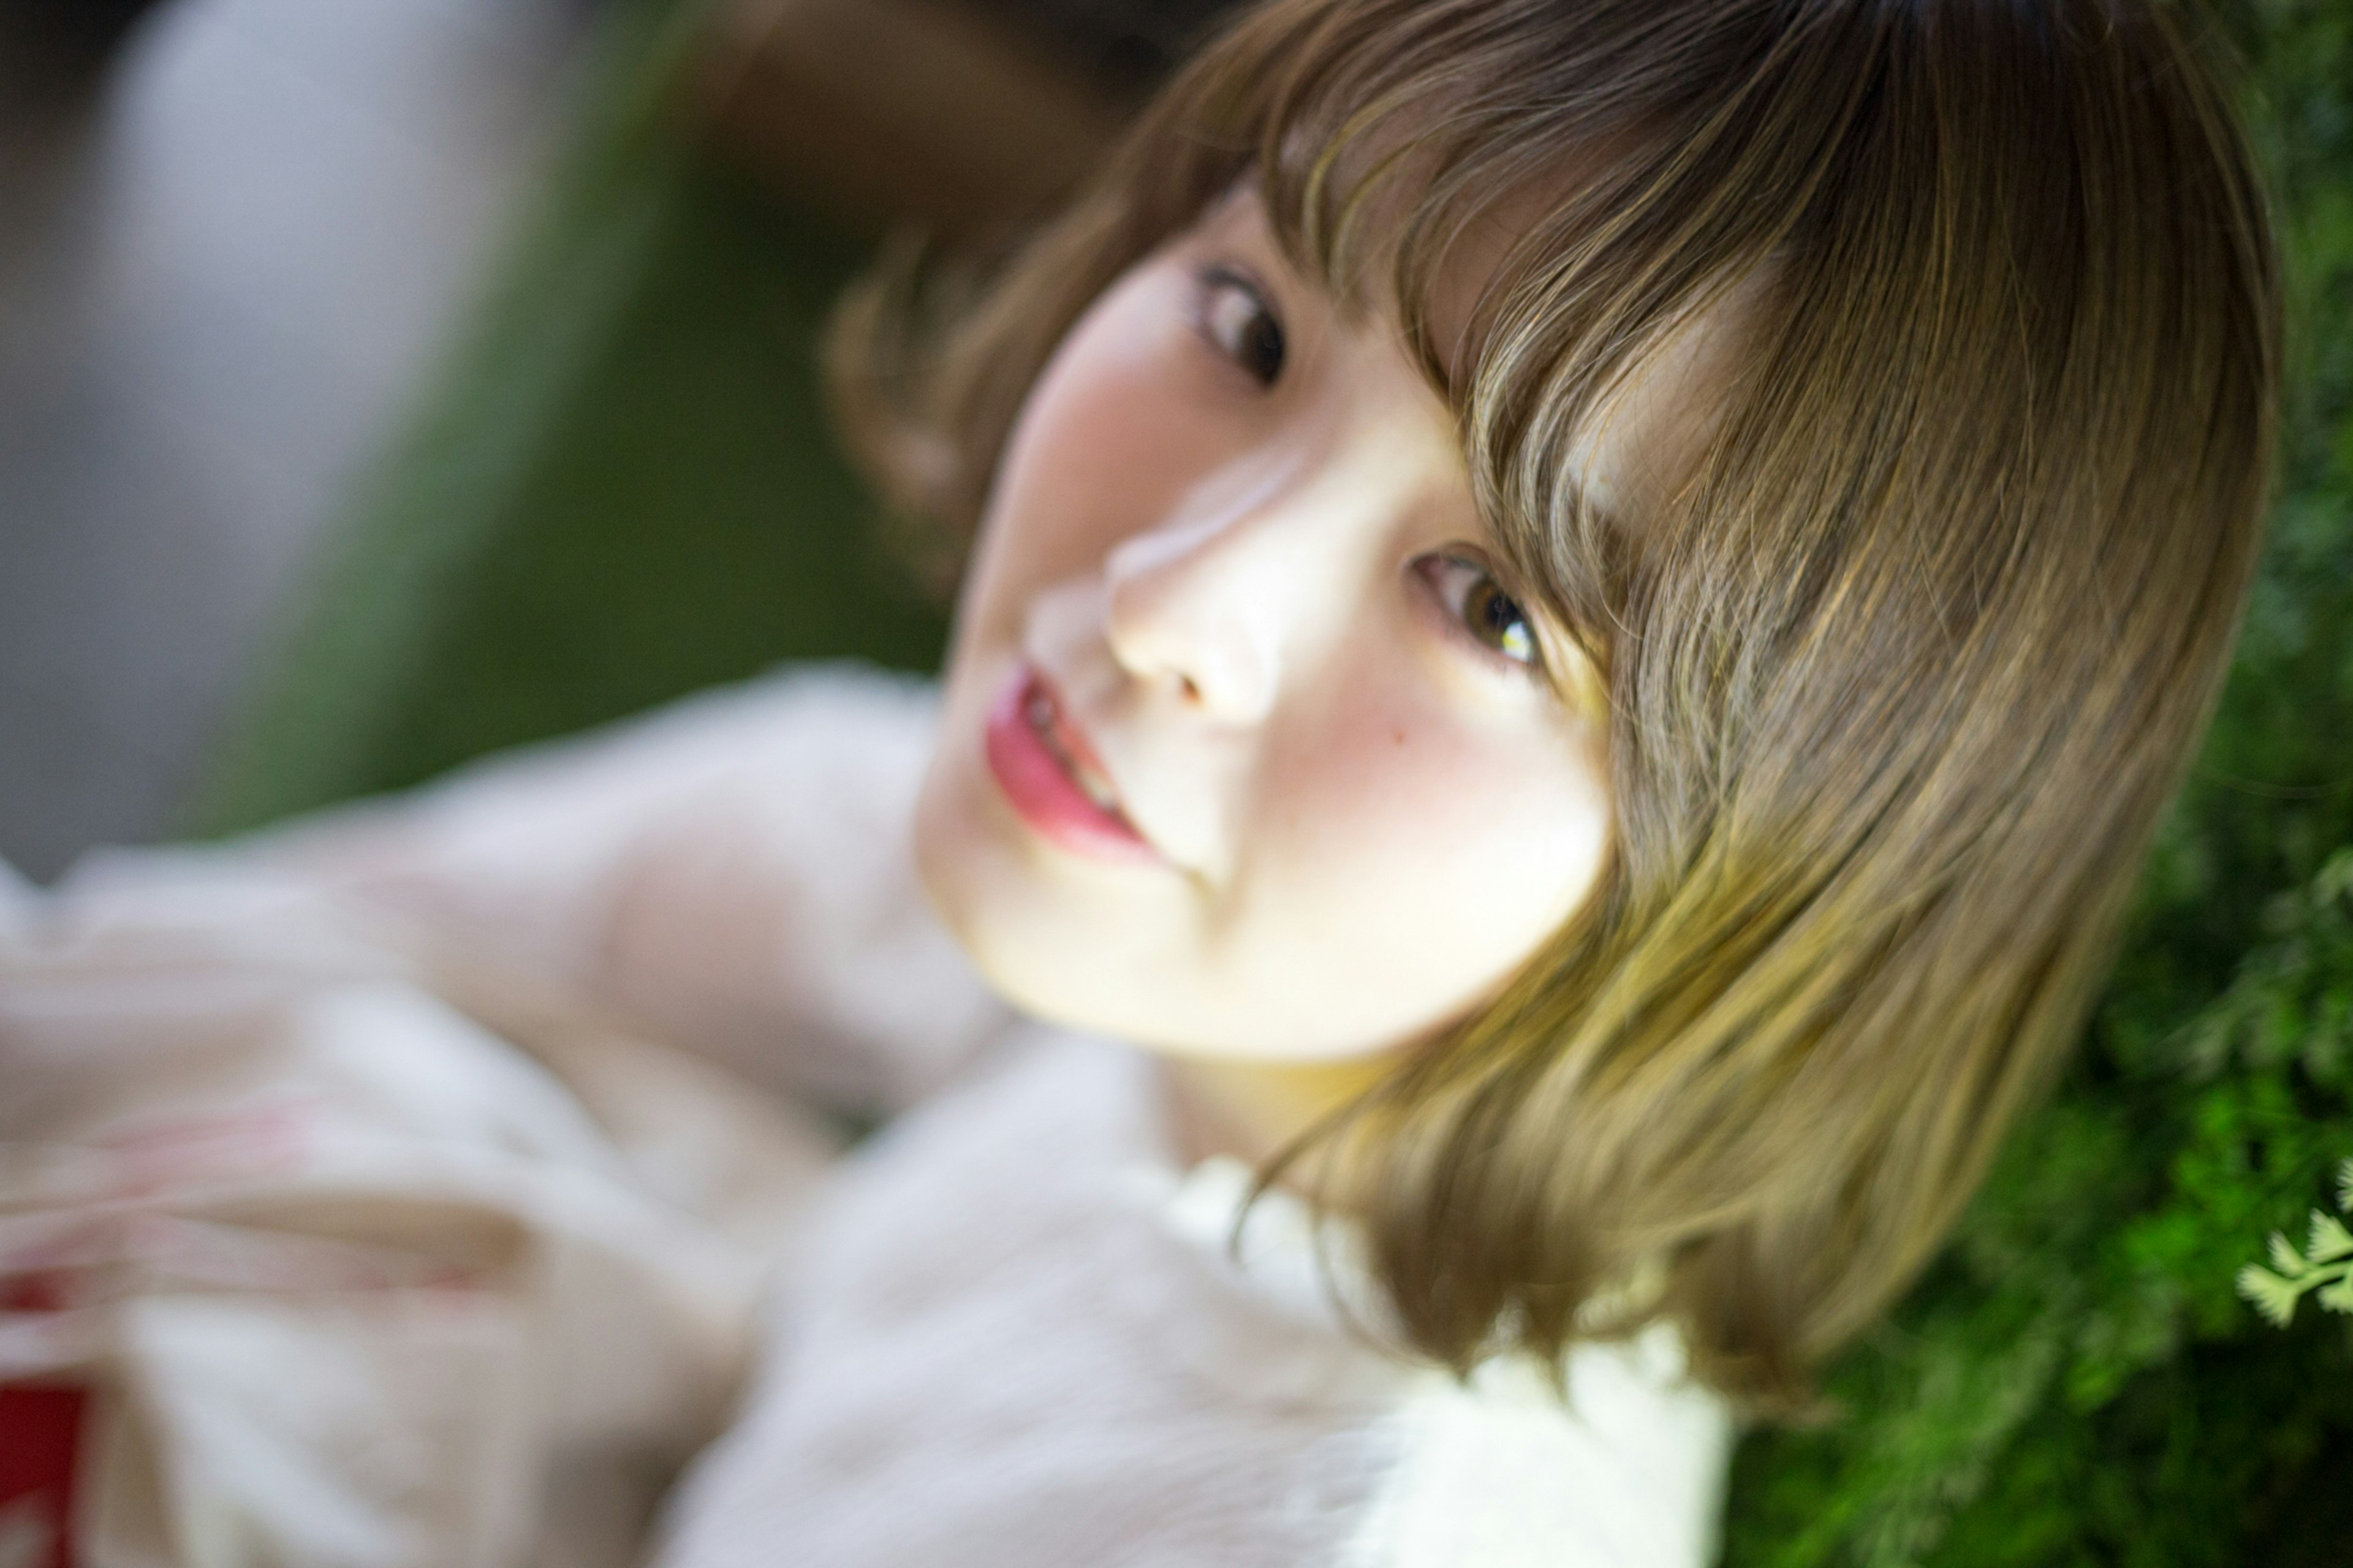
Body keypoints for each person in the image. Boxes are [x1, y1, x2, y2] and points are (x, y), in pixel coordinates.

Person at [0, 0, 2278, 1562]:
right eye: (1250, 328)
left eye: (1498, 608)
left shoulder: (1295, 1515)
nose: (1178, 601)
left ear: (1814, 855)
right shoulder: (1190, 974)